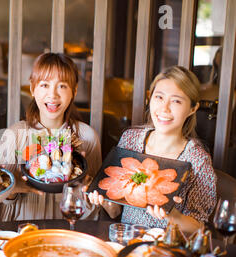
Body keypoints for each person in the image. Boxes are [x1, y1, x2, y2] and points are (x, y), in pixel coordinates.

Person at [87, 66, 217, 234]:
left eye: (176, 101)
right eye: (159, 97)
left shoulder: (198, 160)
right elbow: (116, 211)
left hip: (166, 249)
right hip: (127, 239)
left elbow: (198, 227)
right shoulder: (130, 139)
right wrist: (104, 201)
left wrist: (173, 215)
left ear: (192, 109)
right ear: (150, 98)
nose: (165, 108)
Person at [0, 52, 102, 221]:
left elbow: (94, 208)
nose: (53, 95)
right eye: (44, 85)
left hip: (68, 232)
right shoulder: (14, 135)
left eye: (62, 86)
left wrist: (84, 187)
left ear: (74, 91)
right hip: (25, 230)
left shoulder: (88, 137)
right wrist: (11, 191)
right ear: (32, 88)